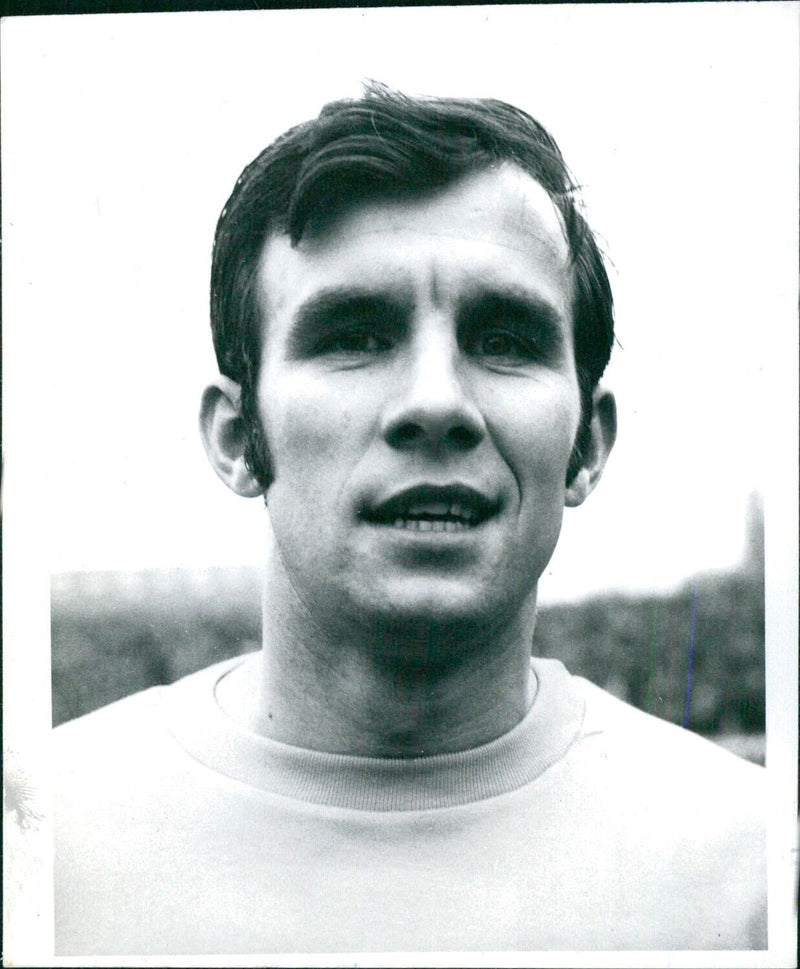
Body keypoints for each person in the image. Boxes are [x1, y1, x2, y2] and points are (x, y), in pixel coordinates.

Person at [54, 84, 766, 955]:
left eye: (505, 339)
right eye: (354, 334)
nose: (436, 403)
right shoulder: (43, 844)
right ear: (241, 437)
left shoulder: (753, 870)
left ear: (587, 444)